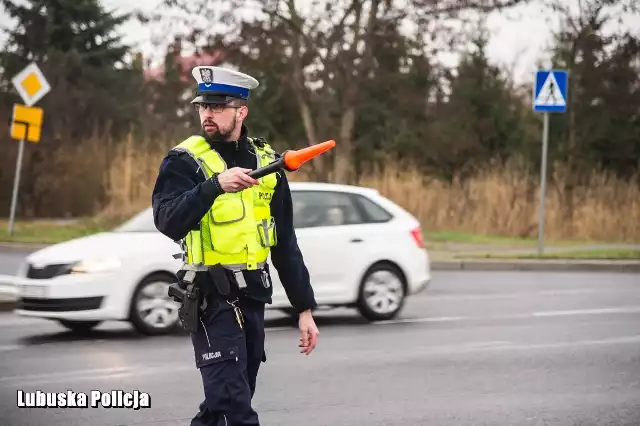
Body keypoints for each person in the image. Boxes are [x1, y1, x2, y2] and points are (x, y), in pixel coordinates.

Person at [151, 65, 320, 426]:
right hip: (210, 299)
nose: (207, 114)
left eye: (217, 107)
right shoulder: (184, 161)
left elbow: (285, 242)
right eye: (202, 106)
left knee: (221, 407)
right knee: (234, 406)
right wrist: (213, 186)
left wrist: (304, 308)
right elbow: (167, 220)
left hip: (253, 298)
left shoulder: (266, 162)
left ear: (241, 111)